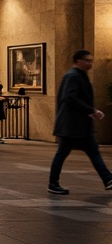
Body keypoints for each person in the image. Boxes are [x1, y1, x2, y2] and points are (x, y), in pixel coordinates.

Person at [48, 49, 112, 195]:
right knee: (63, 153)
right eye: (87, 60)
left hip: (77, 125)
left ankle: (108, 179)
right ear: (78, 61)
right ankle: (53, 183)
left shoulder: (79, 75)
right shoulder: (73, 76)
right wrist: (92, 111)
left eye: (91, 61)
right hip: (72, 125)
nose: (90, 64)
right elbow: (70, 98)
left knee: (92, 151)